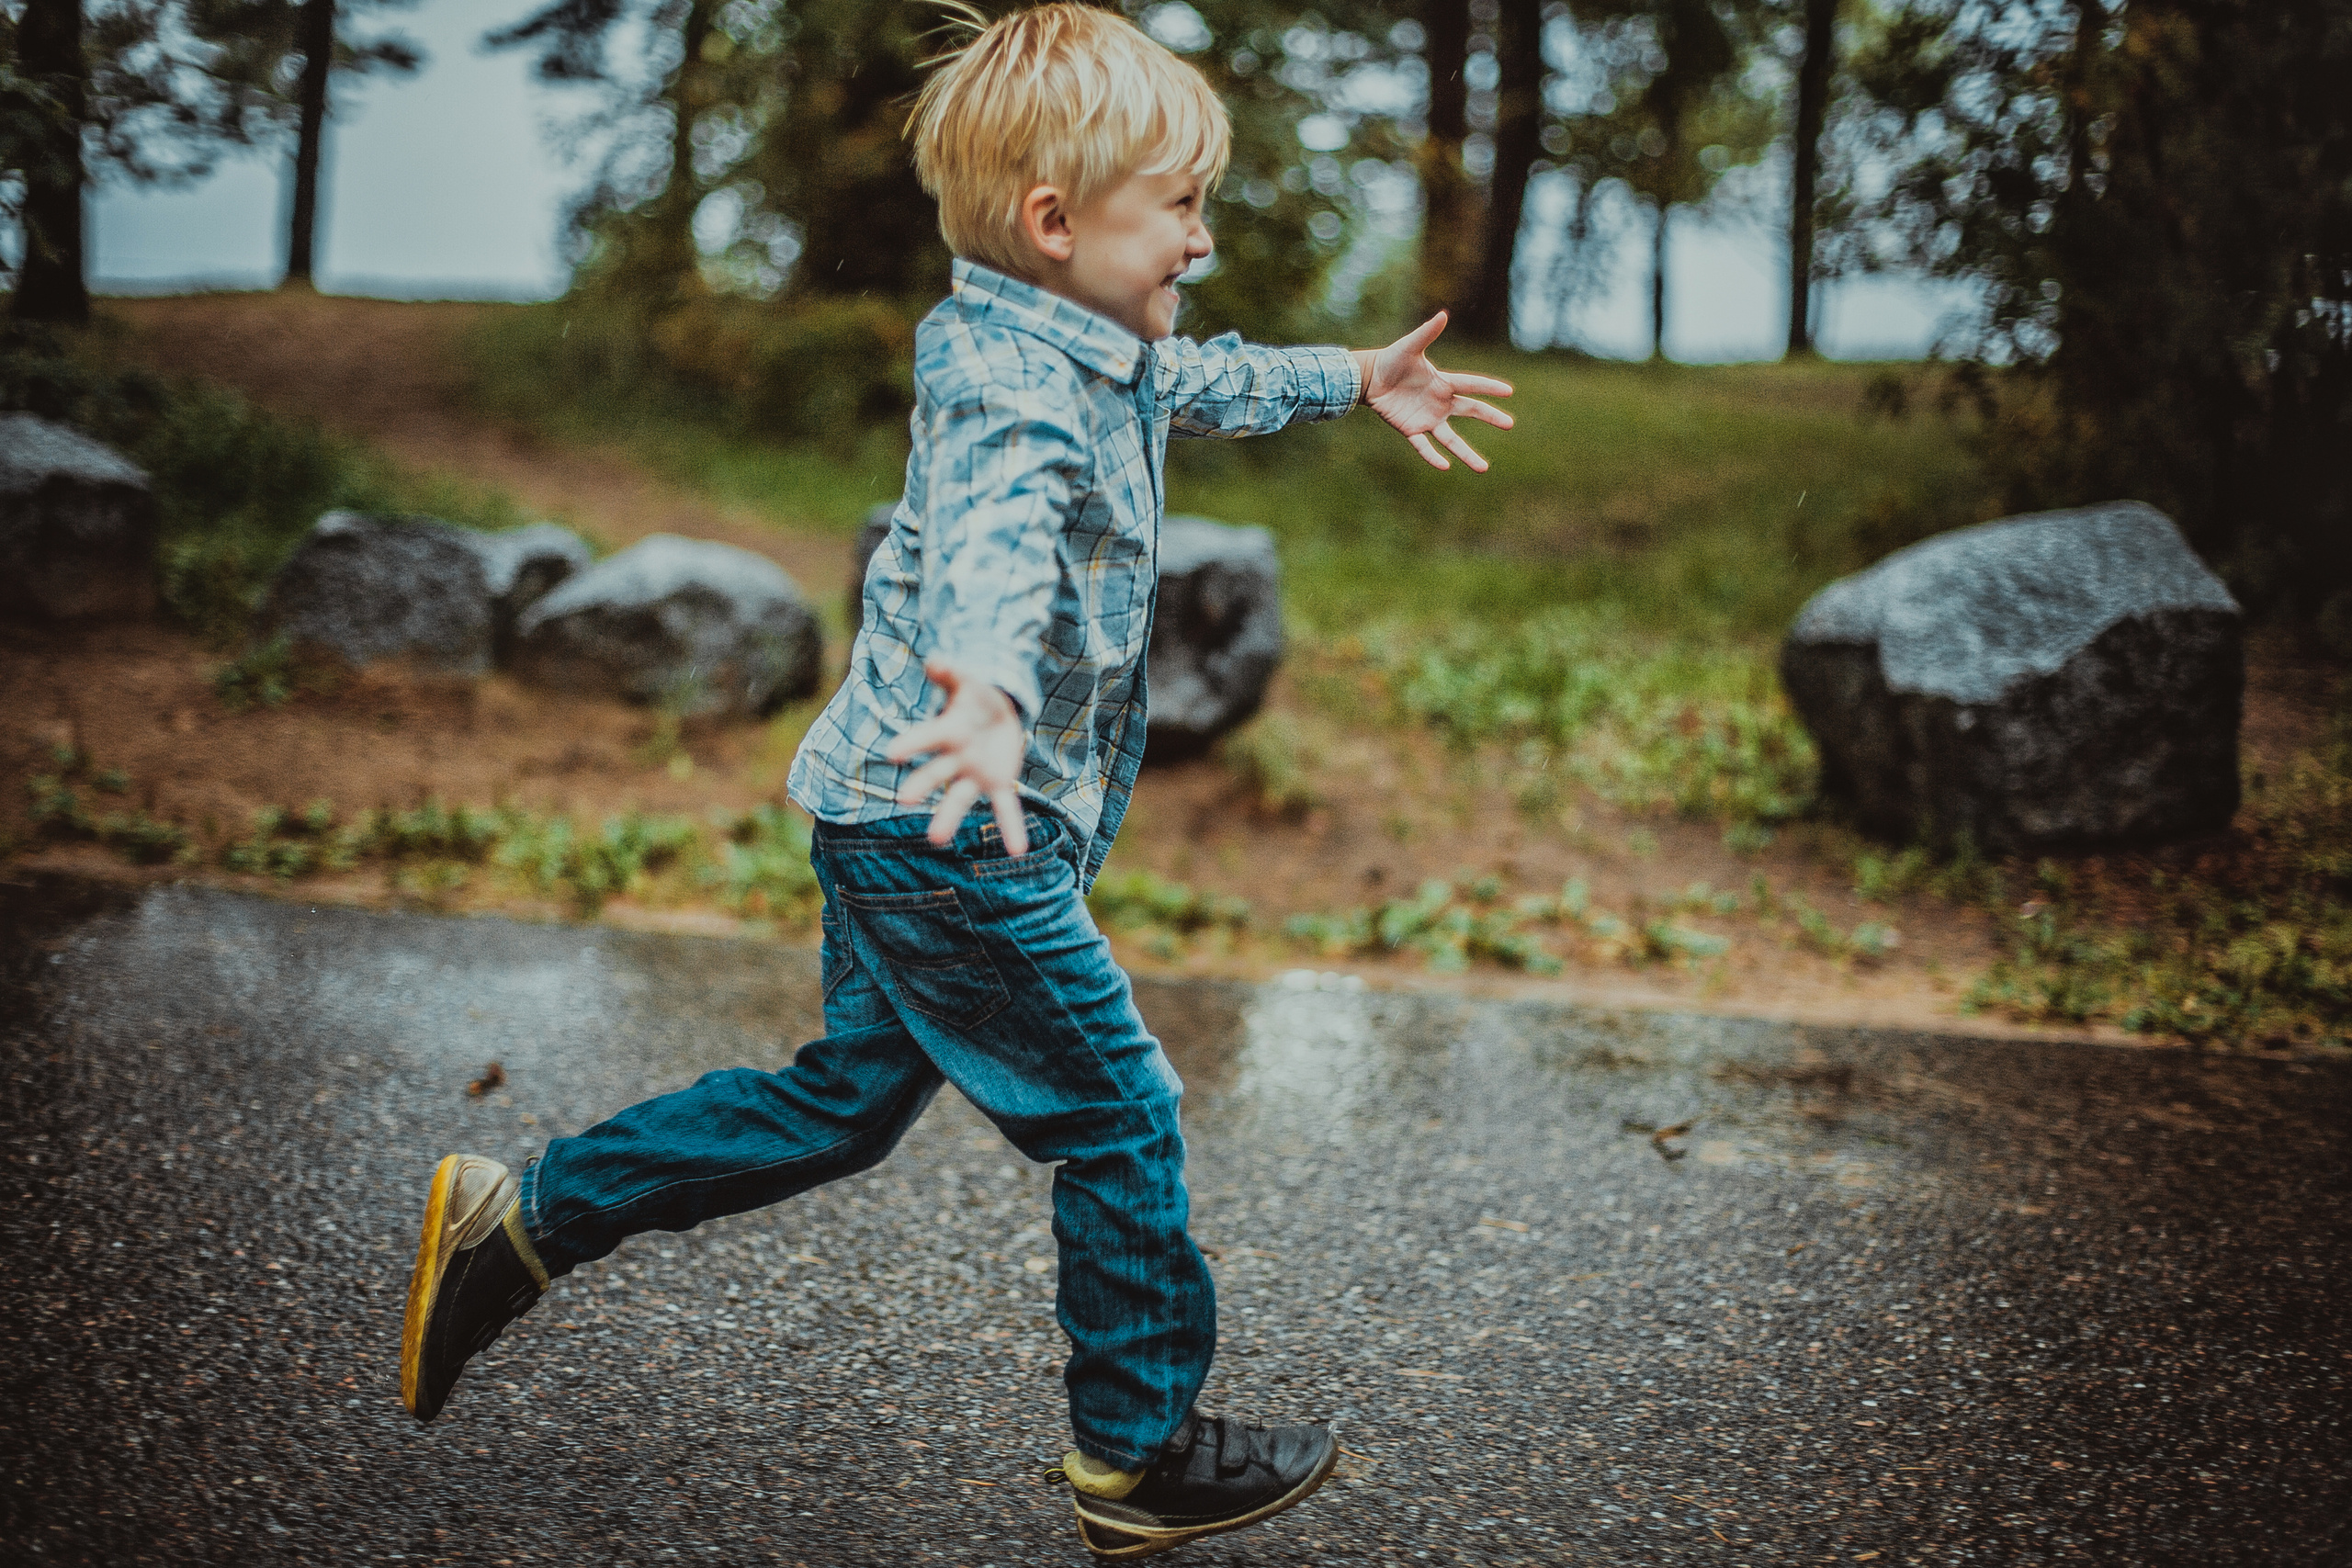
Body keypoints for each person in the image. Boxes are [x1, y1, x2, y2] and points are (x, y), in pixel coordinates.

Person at [398, 4, 1513, 1557]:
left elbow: (1205, 384)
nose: (1204, 236)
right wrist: (983, 692)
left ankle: (522, 1220)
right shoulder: (1012, 383)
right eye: (1181, 204)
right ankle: (1136, 1454)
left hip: (905, 813)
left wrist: (1352, 377)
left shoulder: (1097, 345)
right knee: (1121, 1111)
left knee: (842, 1107)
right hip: (950, 821)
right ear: (1058, 224)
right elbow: (993, 537)